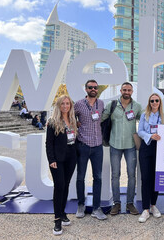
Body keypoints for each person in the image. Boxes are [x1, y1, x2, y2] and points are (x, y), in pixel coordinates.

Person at [102, 82, 142, 216]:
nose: (126, 92)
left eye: (129, 90)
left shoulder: (136, 106)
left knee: (132, 175)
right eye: (124, 89)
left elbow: (145, 120)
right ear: (121, 90)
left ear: (132, 91)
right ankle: (116, 203)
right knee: (115, 175)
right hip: (115, 144)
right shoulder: (112, 105)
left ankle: (130, 203)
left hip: (130, 145)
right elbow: (100, 119)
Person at [74, 80, 106, 220]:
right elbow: (69, 117)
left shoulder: (101, 104)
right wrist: (76, 123)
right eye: (90, 87)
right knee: (81, 177)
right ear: (86, 89)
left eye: (95, 87)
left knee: (98, 177)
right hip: (83, 144)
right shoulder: (78, 104)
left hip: (98, 146)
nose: (93, 89)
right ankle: (81, 205)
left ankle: (96, 208)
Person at [45, 95, 78, 235]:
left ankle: (63, 213)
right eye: (62, 104)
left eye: (67, 103)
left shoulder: (72, 119)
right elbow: (49, 143)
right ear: (58, 105)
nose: (65, 106)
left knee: (66, 185)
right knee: (59, 187)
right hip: (57, 159)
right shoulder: (52, 121)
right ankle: (57, 220)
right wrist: (51, 159)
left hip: (71, 157)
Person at [137, 93, 164, 223]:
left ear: (160, 102)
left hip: (159, 149)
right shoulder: (144, 115)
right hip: (146, 147)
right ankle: (145, 209)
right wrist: (150, 136)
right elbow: (139, 131)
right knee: (145, 178)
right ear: (149, 103)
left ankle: (153, 205)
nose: (154, 103)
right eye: (152, 101)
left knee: (156, 178)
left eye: (156, 100)